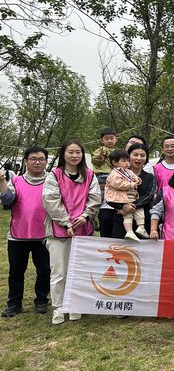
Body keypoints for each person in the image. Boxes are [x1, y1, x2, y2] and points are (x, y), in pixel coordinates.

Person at [42, 139, 101, 325]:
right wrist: (66, 222)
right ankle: (58, 307)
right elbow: (51, 201)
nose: (75, 156)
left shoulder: (89, 175)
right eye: (71, 152)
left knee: (79, 270)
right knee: (59, 271)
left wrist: (85, 215)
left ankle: (75, 303)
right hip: (59, 230)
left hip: (83, 229)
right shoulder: (54, 175)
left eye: (78, 152)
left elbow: (95, 198)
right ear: (63, 154)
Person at [0, 146, 50, 317]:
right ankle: (14, 304)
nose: (37, 162)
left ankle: (41, 301)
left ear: (46, 162)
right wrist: (2, 182)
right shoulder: (16, 180)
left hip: (44, 233)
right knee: (16, 271)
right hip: (18, 234)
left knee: (44, 270)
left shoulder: (52, 181)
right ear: (26, 161)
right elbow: (8, 200)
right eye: (33, 159)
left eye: (41, 159)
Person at [110, 143, 157, 240]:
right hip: (121, 219)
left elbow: (149, 196)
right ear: (128, 157)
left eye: (142, 155)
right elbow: (109, 195)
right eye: (135, 155)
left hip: (143, 222)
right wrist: (122, 206)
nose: (139, 158)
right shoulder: (116, 175)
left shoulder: (150, 177)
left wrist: (131, 206)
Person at [104, 149, 147, 241]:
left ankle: (141, 227)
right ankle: (129, 231)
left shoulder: (128, 171)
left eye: (128, 160)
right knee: (128, 215)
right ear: (114, 162)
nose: (127, 163)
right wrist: (131, 184)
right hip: (122, 198)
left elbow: (135, 177)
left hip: (132, 196)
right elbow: (117, 184)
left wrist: (137, 180)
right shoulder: (114, 174)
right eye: (124, 161)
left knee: (139, 210)